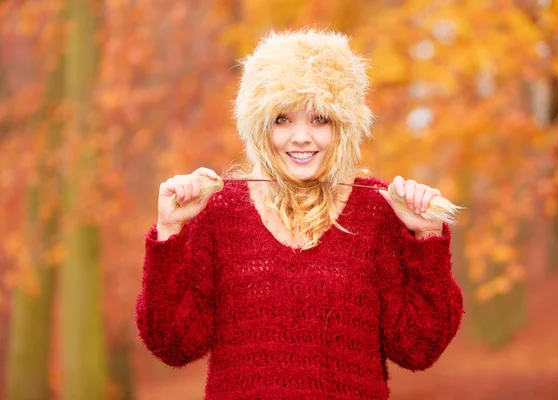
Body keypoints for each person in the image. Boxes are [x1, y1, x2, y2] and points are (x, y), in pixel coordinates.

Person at [136, 28, 464, 399]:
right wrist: (170, 230)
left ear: (344, 126)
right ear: (259, 127)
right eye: (282, 119)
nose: (301, 137)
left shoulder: (380, 212)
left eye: (320, 119)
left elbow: (418, 348)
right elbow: (173, 344)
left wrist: (427, 239)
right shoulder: (219, 211)